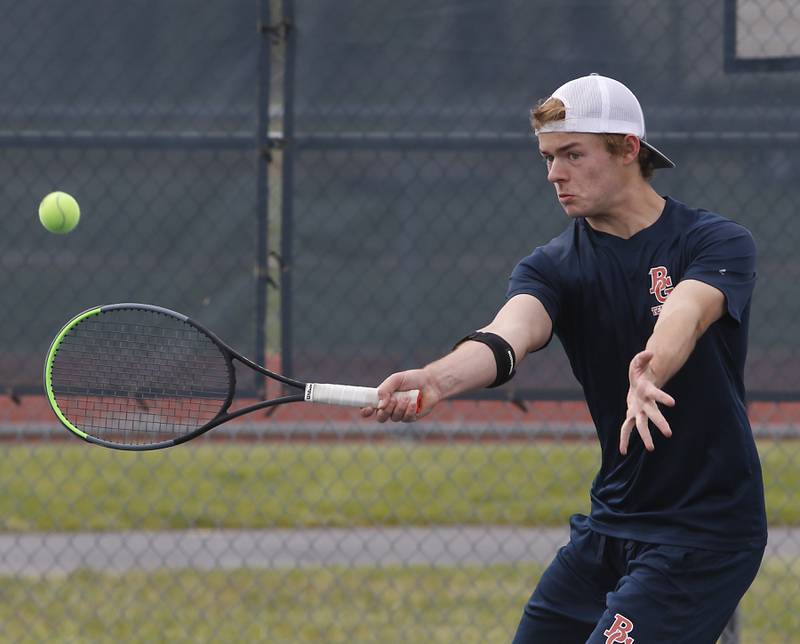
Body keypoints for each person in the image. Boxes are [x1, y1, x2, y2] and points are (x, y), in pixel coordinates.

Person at [361, 73, 767, 643]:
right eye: (548, 157)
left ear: (628, 149)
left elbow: (687, 310)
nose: (554, 173)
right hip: (611, 525)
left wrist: (651, 366)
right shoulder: (552, 266)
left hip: (703, 533)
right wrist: (435, 379)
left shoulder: (715, 240)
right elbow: (508, 335)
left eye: (572, 154)